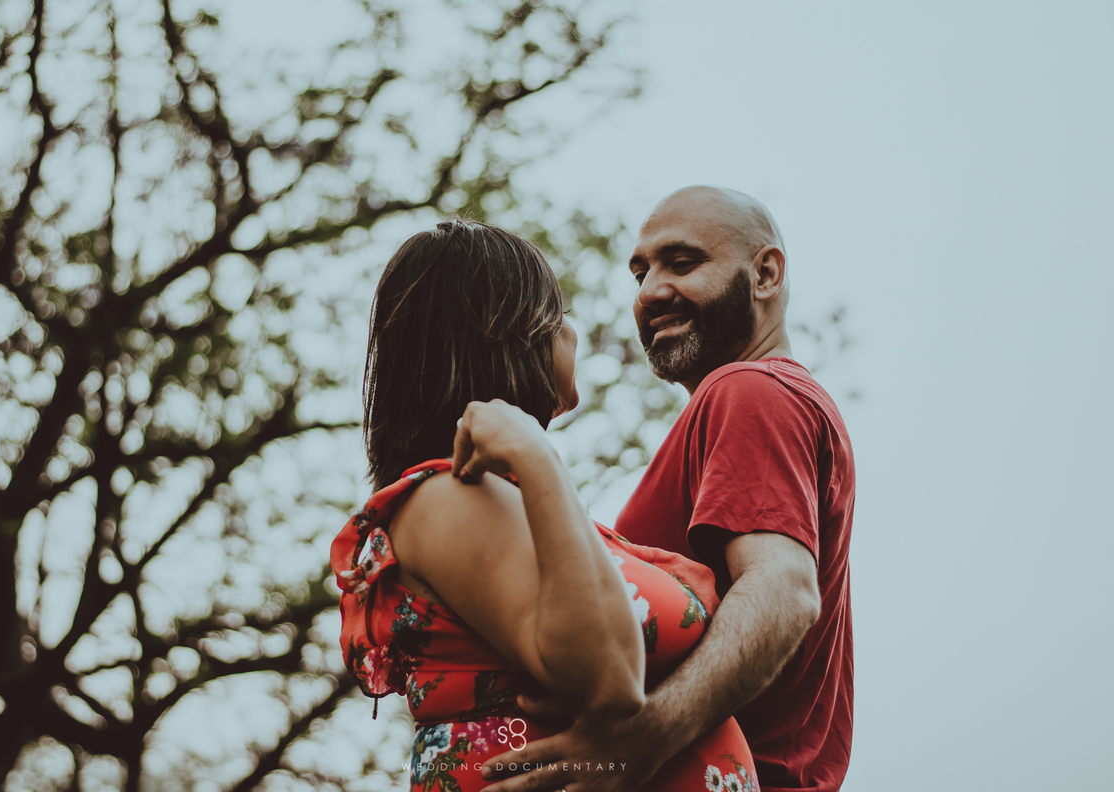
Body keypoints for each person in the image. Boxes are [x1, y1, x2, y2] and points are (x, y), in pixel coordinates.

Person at [330, 219, 759, 792]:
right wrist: (539, 458)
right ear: (506, 329)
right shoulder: (443, 497)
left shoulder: (505, 505)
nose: (572, 331)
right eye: (558, 311)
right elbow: (610, 676)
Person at [480, 187, 855, 792]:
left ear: (765, 274)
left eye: (683, 263)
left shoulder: (749, 391)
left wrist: (645, 737)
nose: (651, 291)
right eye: (640, 272)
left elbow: (784, 589)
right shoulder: (748, 404)